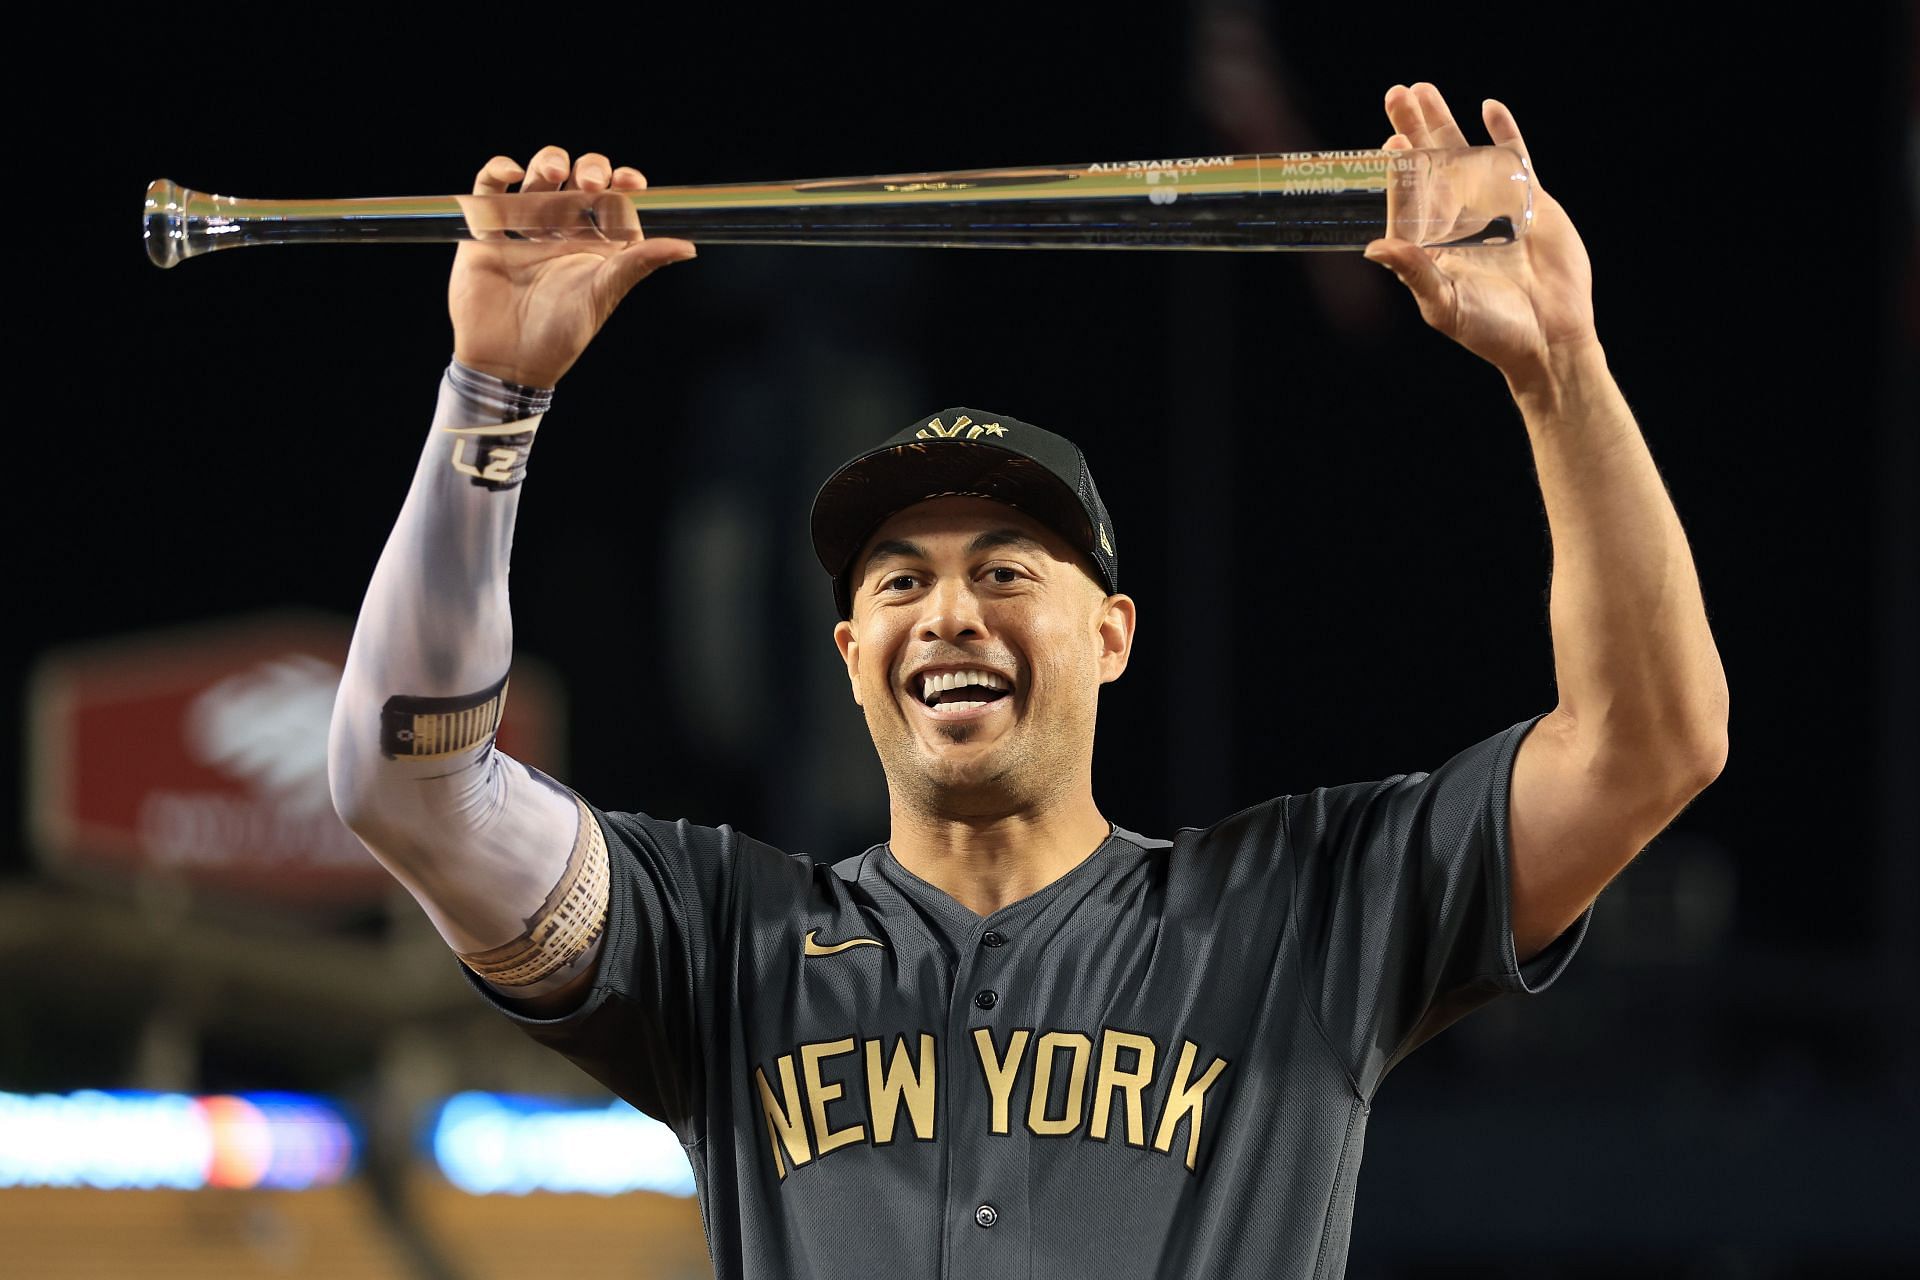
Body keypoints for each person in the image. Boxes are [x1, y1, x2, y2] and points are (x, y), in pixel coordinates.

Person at [328, 82, 1729, 1279]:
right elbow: (411, 784)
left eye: (1006, 571)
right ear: (850, 660)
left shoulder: (1300, 916)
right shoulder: (721, 945)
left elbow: (1650, 745)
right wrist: (491, 397)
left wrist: (1563, 371)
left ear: (1111, 634)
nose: (948, 613)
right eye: (897, 582)